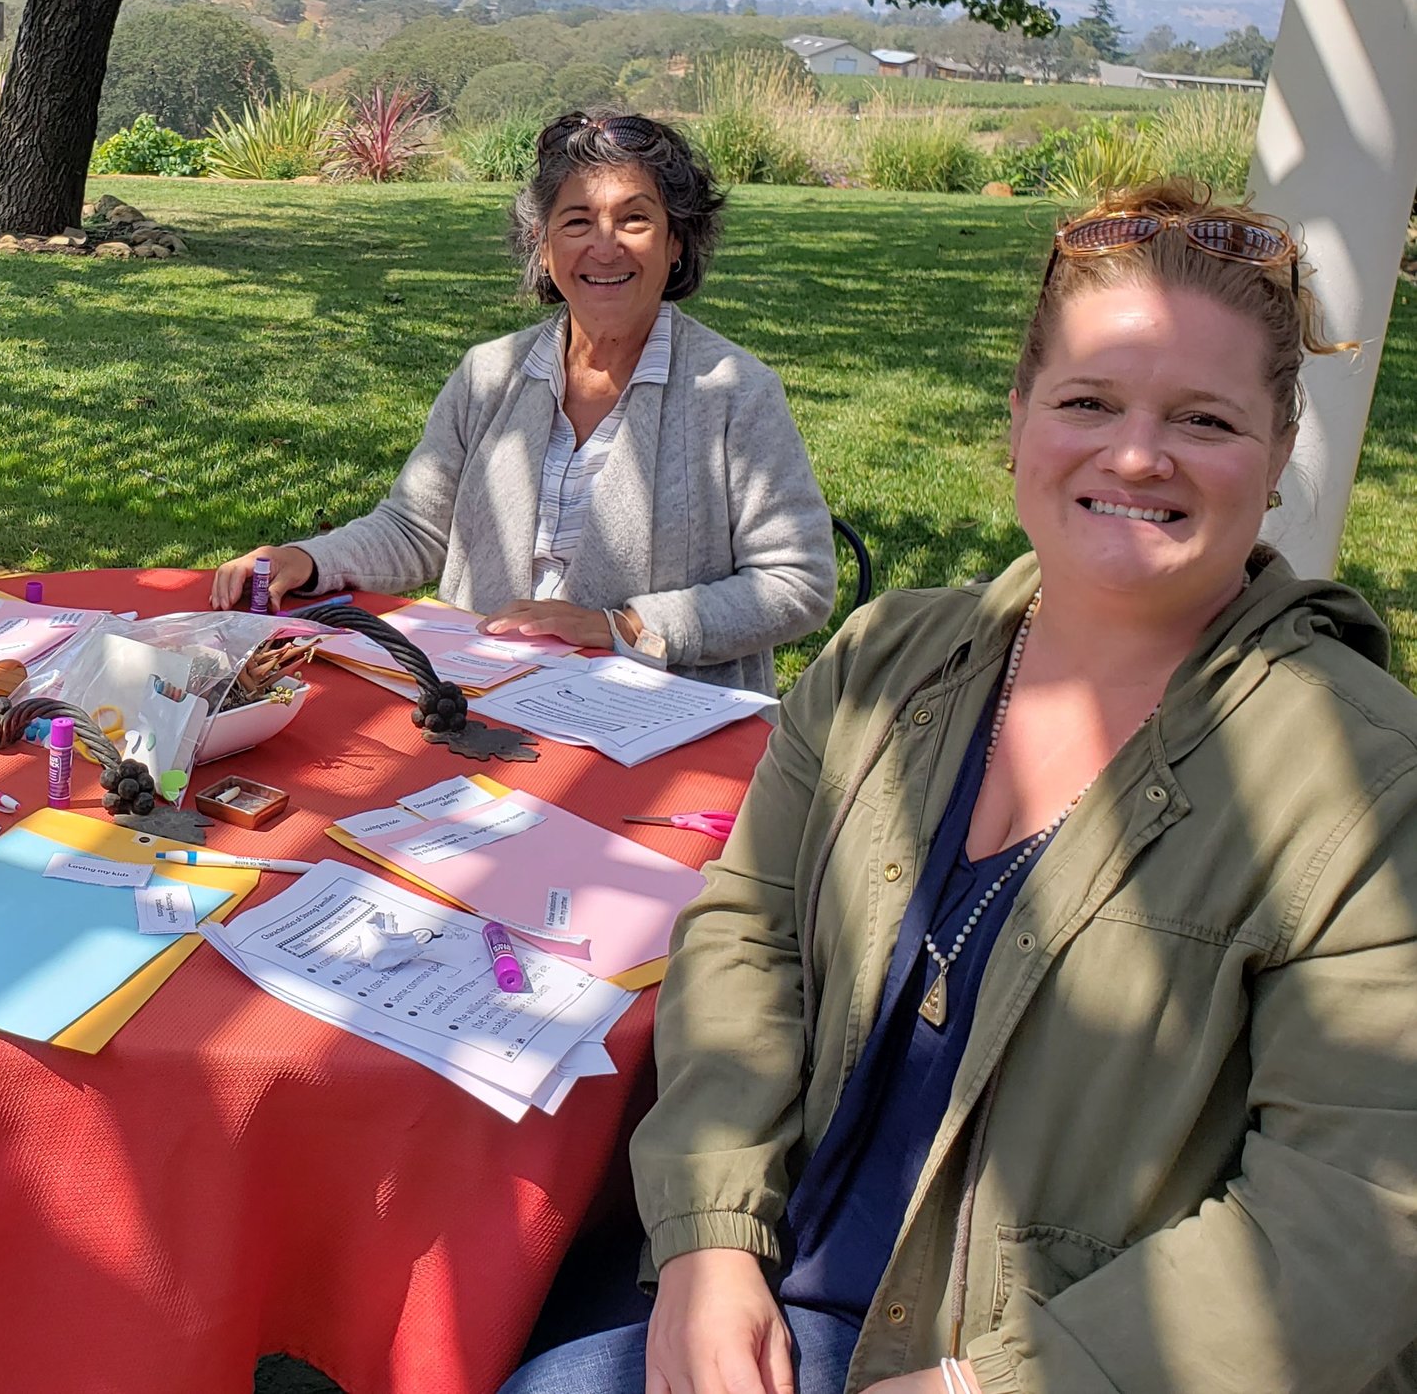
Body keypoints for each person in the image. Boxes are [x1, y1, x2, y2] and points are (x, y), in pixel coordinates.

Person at [507, 182, 1417, 1394]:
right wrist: (710, 1242)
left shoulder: (1363, 781)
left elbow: (1355, 1207)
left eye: (1203, 419)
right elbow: (747, 936)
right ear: (1020, 417)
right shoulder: (884, 662)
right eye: (1088, 402)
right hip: (774, 1282)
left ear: (1279, 451)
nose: (1134, 455)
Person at [210, 109, 834, 691]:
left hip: (657, 720)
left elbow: (796, 582)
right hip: (482, 700)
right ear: (543, 244)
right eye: (577, 221)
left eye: (634, 220)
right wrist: (306, 558)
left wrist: (623, 626)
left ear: (676, 243)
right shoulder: (489, 375)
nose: (605, 245)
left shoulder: (734, 392)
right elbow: (416, 527)